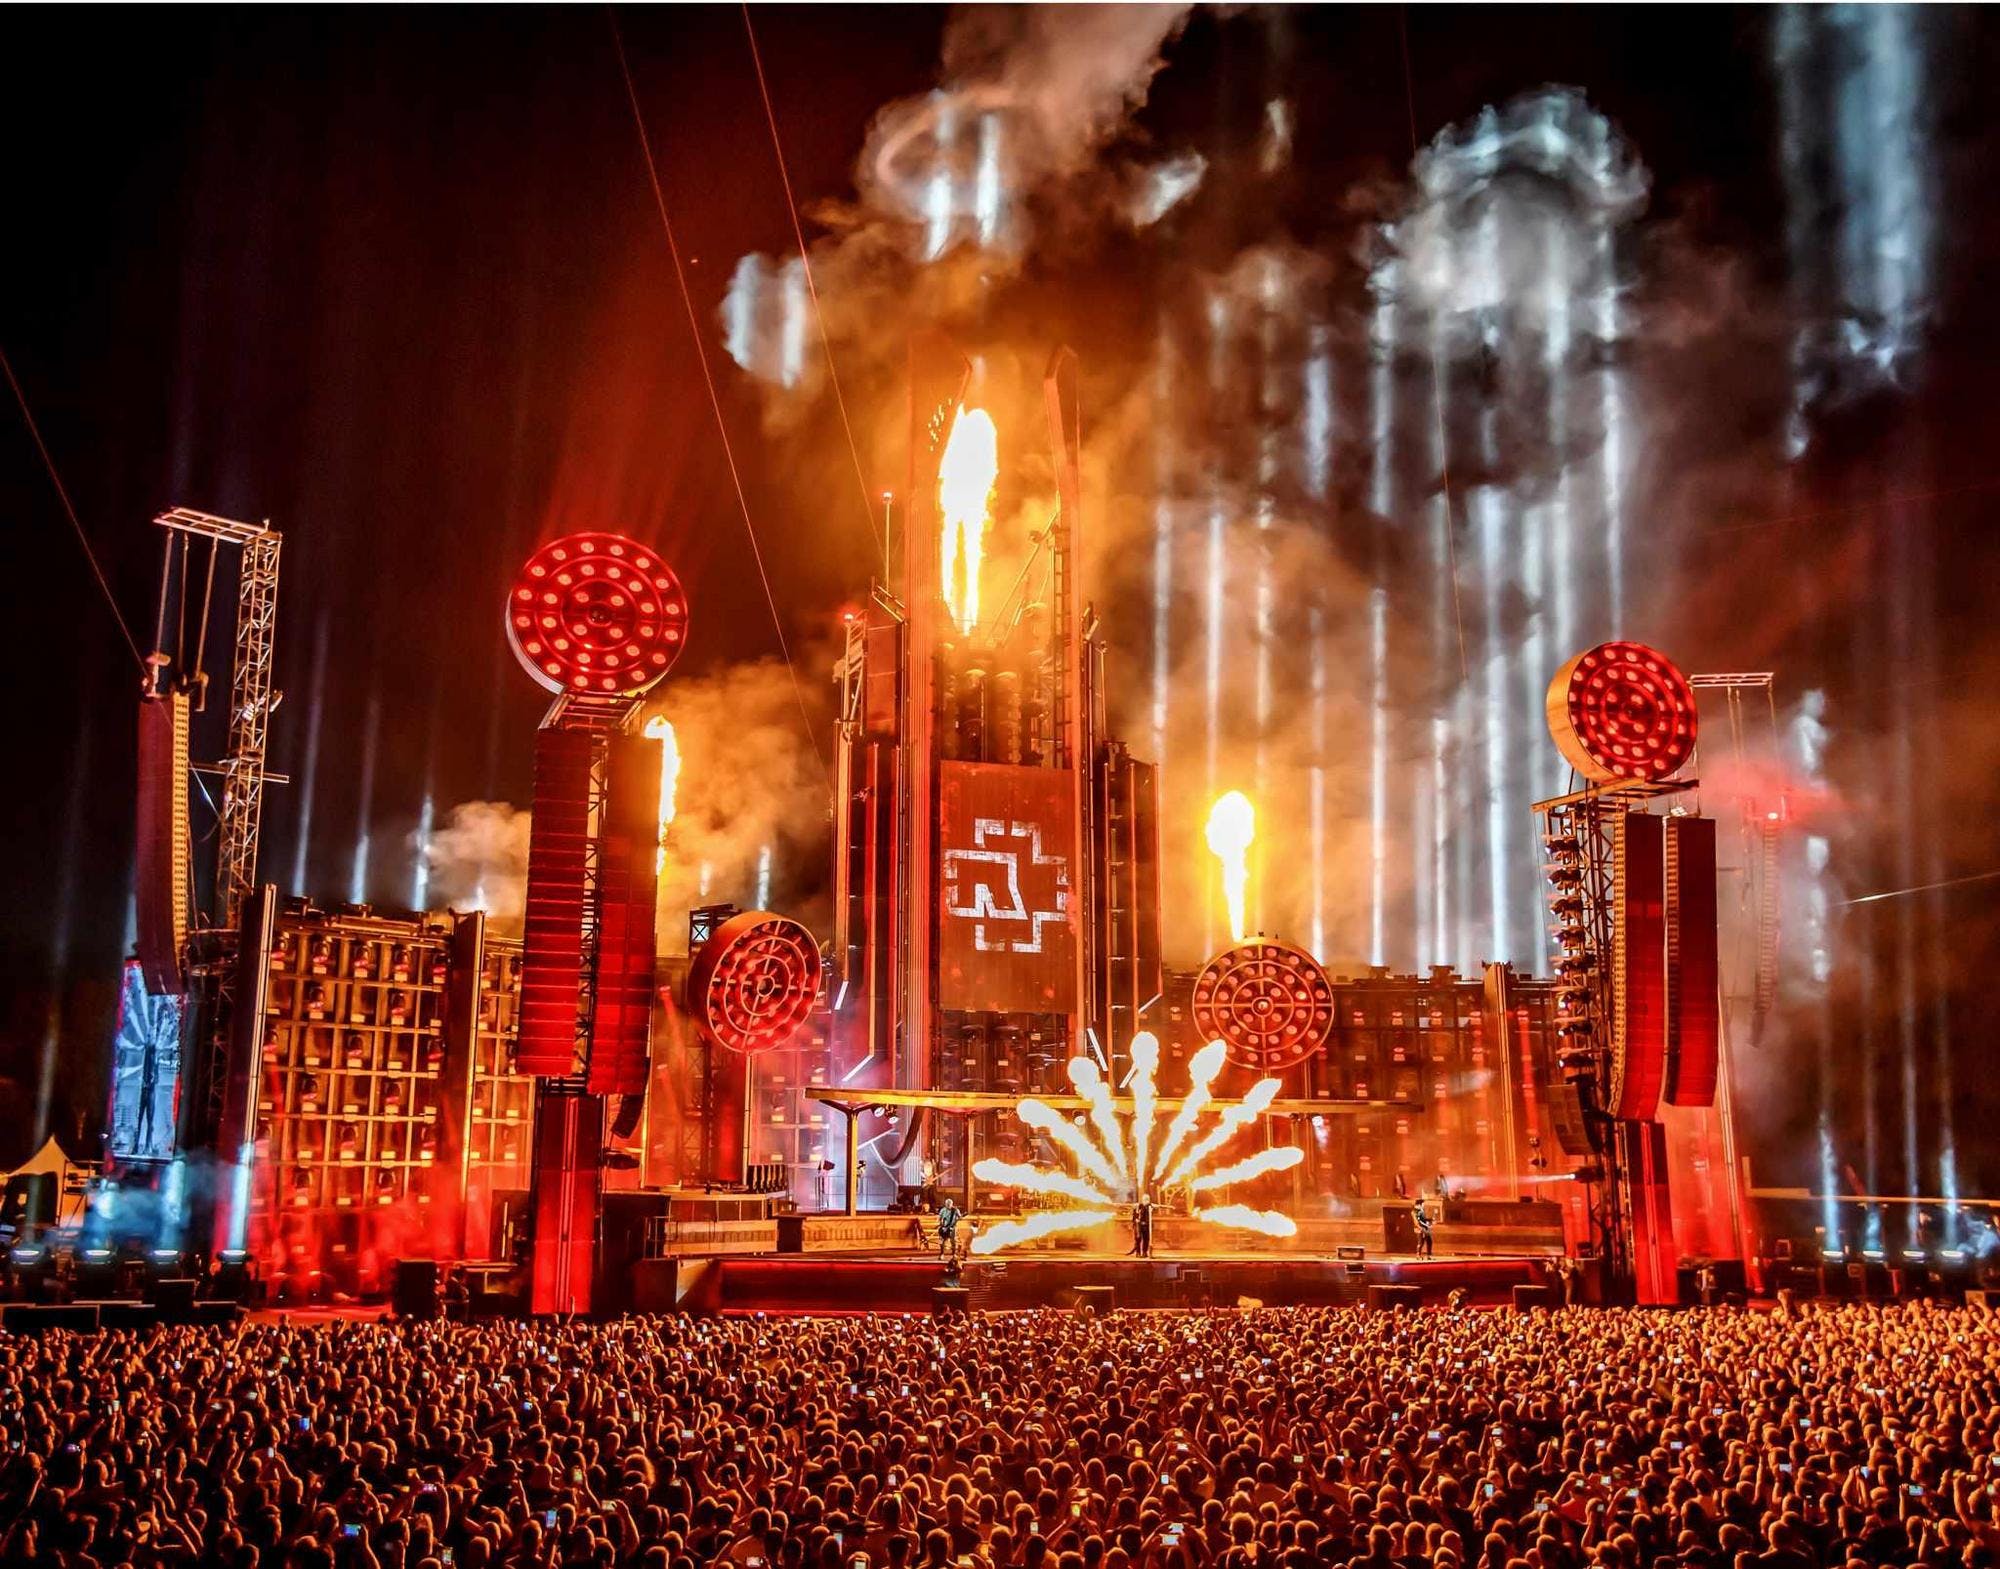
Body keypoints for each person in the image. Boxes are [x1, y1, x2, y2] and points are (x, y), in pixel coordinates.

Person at [936, 1196, 962, 1266]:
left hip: (952, 1228)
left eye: (949, 1204)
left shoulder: (955, 1210)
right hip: (944, 1227)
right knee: (942, 1241)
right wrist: (941, 1225)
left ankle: (954, 1254)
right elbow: (939, 1218)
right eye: (947, 1204)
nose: (948, 1205)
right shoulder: (943, 1210)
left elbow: (960, 1217)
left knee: (953, 1241)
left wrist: (959, 1218)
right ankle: (942, 1254)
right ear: (945, 1204)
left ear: (952, 1204)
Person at [1411, 1194, 1434, 1259]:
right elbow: (1416, 1221)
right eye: (1423, 1204)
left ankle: (1429, 1255)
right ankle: (1418, 1255)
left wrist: (1430, 1220)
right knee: (1421, 1242)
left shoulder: (1421, 1211)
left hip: (1424, 1228)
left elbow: (1423, 1219)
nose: (1424, 1205)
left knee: (1429, 1241)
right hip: (1419, 1229)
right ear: (1419, 1204)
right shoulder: (1414, 1212)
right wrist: (1420, 1228)